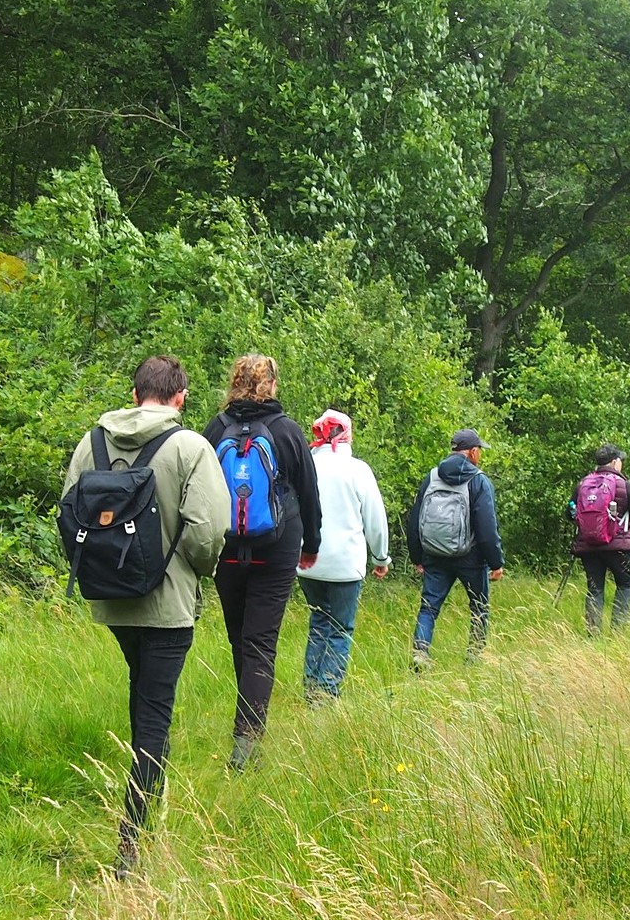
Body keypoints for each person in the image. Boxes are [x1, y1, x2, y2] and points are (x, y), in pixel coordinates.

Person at [61, 356, 229, 878]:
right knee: (154, 715)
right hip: (169, 605)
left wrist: (103, 571)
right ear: (180, 397)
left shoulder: (92, 442)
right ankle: (132, 843)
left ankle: (146, 790)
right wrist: (194, 572)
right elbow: (207, 532)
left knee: (144, 696)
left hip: (112, 602)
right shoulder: (190, 447)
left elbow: (68, 516)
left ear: (135, 394)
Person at [203, 354, 322, 772]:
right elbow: (309, 493)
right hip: (277, 547)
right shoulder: (287, 430)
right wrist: (312, 543)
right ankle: (247, 739)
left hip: (228, 549)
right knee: (260, 641)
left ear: (234, 383)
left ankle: (245, 724)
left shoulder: (216, 429)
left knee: (240, 637)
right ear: (270, 384)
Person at [297, 410, 391, 704]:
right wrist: (381, 558)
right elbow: (375, 519)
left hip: (307, 564)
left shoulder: (306, 465)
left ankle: (311, 685)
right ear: (346, 434)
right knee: (340, 628)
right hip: (345, 567)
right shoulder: (357, 469)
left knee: (319, 621)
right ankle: (327, 690)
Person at [407, 428, 505, 664]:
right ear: (472, 452)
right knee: (479, 607)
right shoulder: (479, 481)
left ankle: (420, 653)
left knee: (429, 607)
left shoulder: (431, 477)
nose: (479, 455)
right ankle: (475, 655)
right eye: (479, 450)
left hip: (434, 555)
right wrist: (496, 562)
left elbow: (415, 519)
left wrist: (417, 557)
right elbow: (486, 528)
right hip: (470, 557)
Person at [570, 444, 630, 633]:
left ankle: (593, 633)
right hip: (619, 545)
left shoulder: (583, 484)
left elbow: (569, 512)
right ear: (615, 462)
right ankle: (618, 633)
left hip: (589, 546)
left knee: (595, 588)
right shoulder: (623, 484)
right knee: (625, 584)